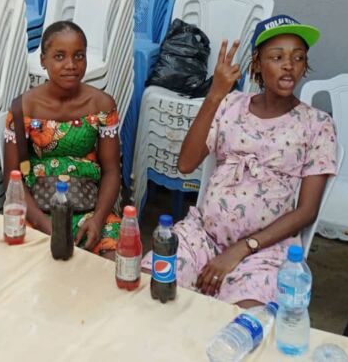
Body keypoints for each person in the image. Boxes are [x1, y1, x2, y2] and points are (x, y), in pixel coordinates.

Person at [143, 15, 337, 308]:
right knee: (149, 288)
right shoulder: (231, 105)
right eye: (277, 57)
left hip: (264, 251)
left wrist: (241, 250)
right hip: (202, 236)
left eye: (298, 58)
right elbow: (185, 164)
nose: (289, 65)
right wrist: (215, 95)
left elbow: (307, 211)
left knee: (242, 324)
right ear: (257, 64)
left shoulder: (317, 124)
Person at [3, 21, 122, 255]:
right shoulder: (23, 108)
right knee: (21, 263)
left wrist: (98, 220)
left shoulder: (101, 105)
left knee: (111, 263)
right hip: (38, 210)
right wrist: (45, 225)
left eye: (79, 56)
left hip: (90, 208)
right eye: (59, 56)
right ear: (43, 60)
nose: (71, 65)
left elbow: (111, 171)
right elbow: (11, 177)